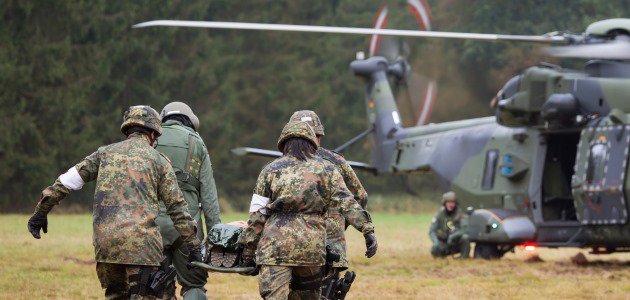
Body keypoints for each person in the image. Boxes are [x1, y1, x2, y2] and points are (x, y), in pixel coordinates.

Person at [27, 105, 202, 299]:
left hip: (107, 249)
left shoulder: (104, 154)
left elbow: (67, 182)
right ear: (153, 133)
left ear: (128, 129)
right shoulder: (159, 161)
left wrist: (40, 212)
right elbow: (177, 209)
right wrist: (193, 247)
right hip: (142, 251)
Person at [238, 121, 378, 300]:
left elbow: (257, 216)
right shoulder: (327, 169)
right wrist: (367, 231)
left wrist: (248, 251)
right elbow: (348, 203)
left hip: (274, 249)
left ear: (284, 143)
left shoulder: (269, 170)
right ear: (313, 143)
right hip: (311, 249)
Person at [288, 110, 370, 297]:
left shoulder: (283, 163)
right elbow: (360, 197)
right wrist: (339, 224)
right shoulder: (336, 162)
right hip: (329, 244)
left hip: (293, 244)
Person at [154, 102, 221, 300]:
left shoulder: (151, 139)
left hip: (151, 224)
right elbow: (209, 198)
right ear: (191, 121)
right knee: (194, 284)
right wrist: (217, 240)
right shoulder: (197, 143)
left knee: (152, 285)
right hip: (188, 228)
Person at [429, 191, 470, 258]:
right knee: (435, 248)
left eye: (453, 203)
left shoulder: (460, 214)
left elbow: (465, 230)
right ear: (445, 203)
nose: (451, 205)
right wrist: (436, 242)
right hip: (444, 242)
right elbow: (432, 231)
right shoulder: (439, 214)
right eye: (449, 202)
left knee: (465, 238)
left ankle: (463, 258)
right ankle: (441, 256)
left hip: (456, 243)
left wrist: (454, 236)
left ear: (455, 203)